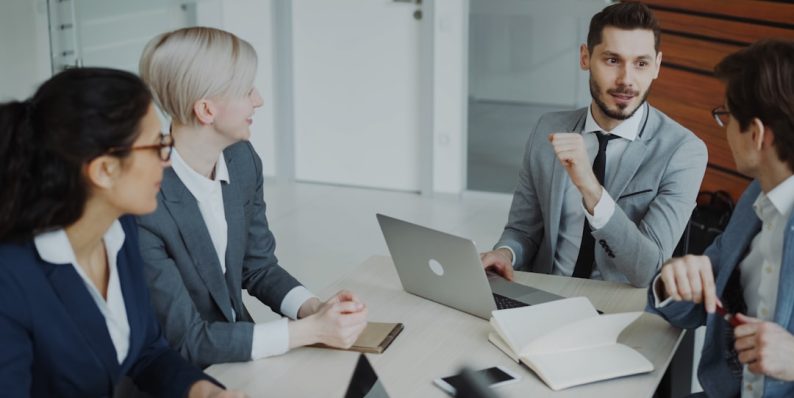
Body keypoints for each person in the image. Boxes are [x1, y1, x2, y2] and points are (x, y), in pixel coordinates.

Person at [0, 68, 244, 397]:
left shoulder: (120, 229)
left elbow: (147, 351)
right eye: (157, 145)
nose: (168, 160)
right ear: (104, 170)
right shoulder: (11, 281)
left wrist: (202, 391)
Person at [136, 27, 368, 368]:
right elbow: (187, 340)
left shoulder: (241, 159)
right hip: (183, 375)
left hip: (241, 351)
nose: (258, 99)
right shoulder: (144, 203)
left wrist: (313, 309)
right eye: (247, 90)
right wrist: (308, 332)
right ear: (206, 110)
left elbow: (257, 266)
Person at [480, 2, 707, 287]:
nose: (626, 80)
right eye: (612, 60)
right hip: (544, 293)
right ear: (585, 57)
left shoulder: (683, 151)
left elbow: (650, 270)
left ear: (657, 66)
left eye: (641, 63)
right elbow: (523, 230)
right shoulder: (548, 129)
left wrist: (591, 189)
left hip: (618, 308)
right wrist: (506, 253)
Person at [648, 39, 794, 397]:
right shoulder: (753, 200)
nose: (723, 129)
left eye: (727, 116)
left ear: (757, 134)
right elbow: (695, 301)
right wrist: (672, 281)